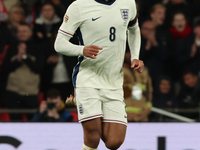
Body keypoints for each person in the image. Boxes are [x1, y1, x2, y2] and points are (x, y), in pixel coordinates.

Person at [54, 0, 144, 149]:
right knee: (93, 137)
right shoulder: (79, 6)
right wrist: (81, 50)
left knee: (114, 142)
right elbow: (59, 43)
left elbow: (134, 28)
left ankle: (82, 102)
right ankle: (85, 100)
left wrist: (135, 56)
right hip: (88, 78)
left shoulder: (128, 3)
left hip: (113, 82)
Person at [1, 23, 44, 121]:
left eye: (24, 31)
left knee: (33, 121)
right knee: (14, 121)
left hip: (30, 92)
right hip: (13, 92)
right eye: (19, 32)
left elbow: (38, 68)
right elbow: (5, 69)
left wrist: (24, 57)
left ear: (31, 33)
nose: (21, 34)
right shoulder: (11, 48)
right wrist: (18, 59)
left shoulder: (38, 48)